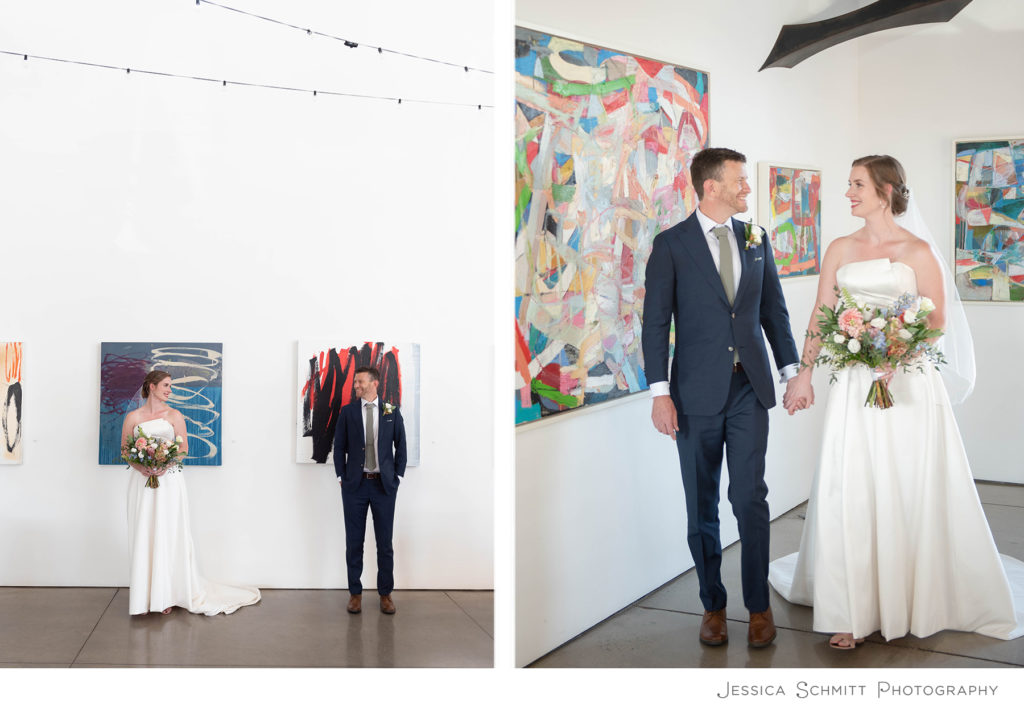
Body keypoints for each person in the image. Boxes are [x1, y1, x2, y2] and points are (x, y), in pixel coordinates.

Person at [772, 155, 1024, 648]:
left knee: (908, 479)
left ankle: (915, 596)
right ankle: (850, 608)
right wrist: (803, 375)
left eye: (857, 184)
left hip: (907, 383)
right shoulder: (840, 248)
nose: (848, 193)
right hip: (853, 384)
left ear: (885, 190)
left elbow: (936, 321)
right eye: (849, 184)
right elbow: (822, 313)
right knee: (852, 483)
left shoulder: (918, 250)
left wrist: (895, 354)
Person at [642, 147, 801, 648]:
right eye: (740, 180)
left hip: (749, 388)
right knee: (702, 504)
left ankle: (759, 606)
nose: (747, 188)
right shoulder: (671, 245)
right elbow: (654, 324)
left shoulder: (756, 238)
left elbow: (774, 311)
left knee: (750, 499)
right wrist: (660, 393)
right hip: (693, 395)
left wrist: (792, 372)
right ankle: (712, 604)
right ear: (711, 186)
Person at [121, 370, 260, 615]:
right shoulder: (133, 417)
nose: (169, 390)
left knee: (168, 533)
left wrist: (164, 465)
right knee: (144, 533)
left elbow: (183, 449)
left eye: (170, 386)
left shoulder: (174, 415)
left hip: (169, 482)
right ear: (152, 386)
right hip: (142, 482)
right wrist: (142, 467)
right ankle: (145, 597)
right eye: (166, 385)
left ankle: (167, 596)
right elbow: (125, 450)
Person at [333, 366, 407, 614]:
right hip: (354, 486)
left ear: (374, 383)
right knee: (354, 542)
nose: (356, 385)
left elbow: (401, 446)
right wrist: (341, 477)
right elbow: (339, 447)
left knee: (385, 543)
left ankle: (385, 594)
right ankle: (355, 593)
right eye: (355, 382)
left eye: (360, 381)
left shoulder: (391, 411)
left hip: (384, 487)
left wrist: (397, 477)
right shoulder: (348, 412)